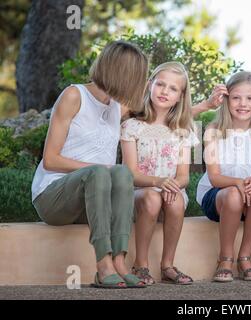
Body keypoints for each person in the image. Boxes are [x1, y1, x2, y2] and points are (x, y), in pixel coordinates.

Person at [31, 41, 149, 288]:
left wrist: (205, 107)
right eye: (137, 77)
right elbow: (50, 160)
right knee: (99, 171)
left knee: (122, 173)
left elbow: (163, 109)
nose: (139, 83)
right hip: (53, 197)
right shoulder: (74, 95)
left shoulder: (118, 107)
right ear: (121, 74)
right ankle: (103, 265)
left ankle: (119, 261)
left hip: (94, 202)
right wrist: (98, 169)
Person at [121, 61, 203, 285]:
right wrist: (159, 182)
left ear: (180, 97)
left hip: (169, 188)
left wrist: (173, 186)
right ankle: (141, 264)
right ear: (150, 85)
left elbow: (184, 176)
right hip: (139, 191)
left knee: (176, 201)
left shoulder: (183, 130)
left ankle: (167, 264)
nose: (165, 91)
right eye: (160, 84)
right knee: (151, 197)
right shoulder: (132, 126)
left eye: (173, 88)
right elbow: (130, 174)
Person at [196, 71, 251, 282]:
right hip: (216, 197)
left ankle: (245, 258)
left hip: (244, 196)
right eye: (236, 97)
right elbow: (215, 178)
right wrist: (239, 183)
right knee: (232, 195)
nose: (243, 104)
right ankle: (225, 259)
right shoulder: (214, 130)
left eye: (250, 98)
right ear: (227, 100)